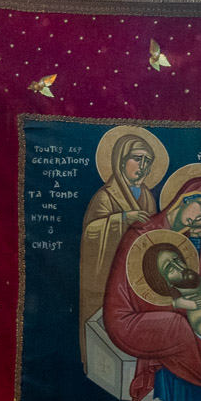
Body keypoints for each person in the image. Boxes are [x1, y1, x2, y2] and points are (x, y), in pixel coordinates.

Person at [101, 179, 201, 401]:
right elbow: (136, 293)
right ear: (186, 198)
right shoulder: (141, 233)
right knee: (178, 327)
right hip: (130, 318)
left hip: (167, 309)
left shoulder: (191, 241)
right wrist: (176, 303)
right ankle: (196, 395)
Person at [79, 132, 165, 371]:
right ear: (120, 160)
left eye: (147, 161)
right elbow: (91, 233)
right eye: (137, 158)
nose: (143, 166)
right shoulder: (105, 196)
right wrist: (123, 219)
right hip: (107, 275)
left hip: (135, 275)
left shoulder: (146, 196)